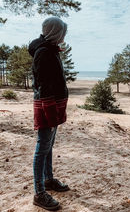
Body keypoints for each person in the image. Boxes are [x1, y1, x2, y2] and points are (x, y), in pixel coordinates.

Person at [28, 16, 70, 211]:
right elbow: (44, 86)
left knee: (48, 145)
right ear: (55, 32)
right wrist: (51, 113)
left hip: (53, 106)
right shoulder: (43, 52)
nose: (64, 35)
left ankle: (48, 180)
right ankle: (39, 193)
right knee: (42, 148)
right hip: (48, 107)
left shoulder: (50, 49)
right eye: (62, 32)